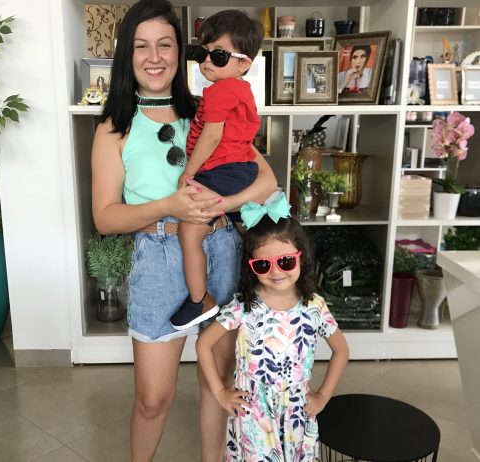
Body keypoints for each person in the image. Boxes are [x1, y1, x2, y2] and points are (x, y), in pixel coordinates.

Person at [90, 0, 277, 460]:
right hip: (158, 258)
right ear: (127, 53)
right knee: (153, 400)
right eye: (141, 46)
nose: (154, 57)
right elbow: (105, 217)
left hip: (222, 250)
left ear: (181, 51)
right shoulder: (115, 127)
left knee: (219, 383)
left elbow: (267, 182)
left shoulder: (210, 106)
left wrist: (221, 206)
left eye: (165, 44)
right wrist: (170, 207)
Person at [196, 192, 349, 461]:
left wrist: (323, 396)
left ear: (301, 256)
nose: (276, 271)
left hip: (297, 413)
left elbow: (341, 350)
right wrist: (220, 393)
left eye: (286, 261)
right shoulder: (244, 306)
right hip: (253, 415)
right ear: (251, 266)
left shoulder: (314, 306)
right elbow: (204, 344)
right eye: (263, 265)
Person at [169, 10, 264, 331]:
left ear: (244, 64)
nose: (207, 61)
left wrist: (189, 172)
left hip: (221, 171)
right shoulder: (237, 89)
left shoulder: (223, 90)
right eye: (202, 53)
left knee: (188, 231)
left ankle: (199, 300)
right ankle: (259, 285)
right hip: (239, 170)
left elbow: (211, 136)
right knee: (246, 232)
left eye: (219, 55)